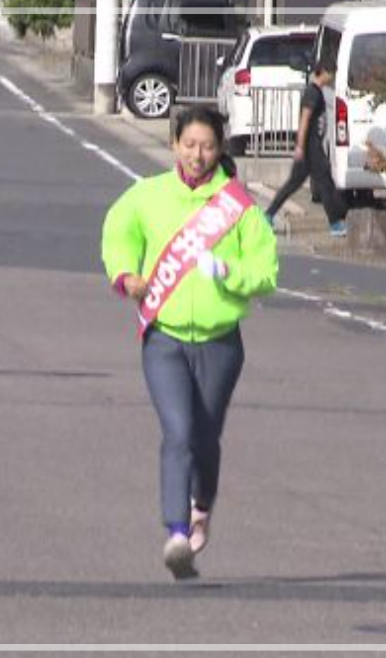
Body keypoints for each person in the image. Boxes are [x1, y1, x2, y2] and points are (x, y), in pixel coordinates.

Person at [101, 106, 278, 580]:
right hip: (165, 338)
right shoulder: (149, 196)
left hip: (222, 342)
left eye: (208, 146)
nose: (198, 155)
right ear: (174, 144)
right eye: (190, 145)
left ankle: (201, 506)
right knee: (178, 432)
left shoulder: (238, 206)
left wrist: (229, 273)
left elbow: (266, 273)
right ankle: (177, 532)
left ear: (220, 149)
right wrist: (126, 276)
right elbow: (118, 233)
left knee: (205, 436)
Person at [266, 62, 348, 237]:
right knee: (325, 182)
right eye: (331, 72)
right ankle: (335, 223)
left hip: (312, 147)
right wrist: (300, 147)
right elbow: (305, 119)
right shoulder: (312, 92)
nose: (332, 77)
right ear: (323, 72)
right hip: (310, 148)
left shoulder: (317, 92)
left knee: (295, 183)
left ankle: (269, 214)